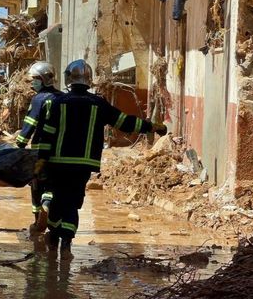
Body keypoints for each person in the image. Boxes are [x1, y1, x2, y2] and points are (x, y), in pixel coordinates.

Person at [38, 60, 167, 260]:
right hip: (83, 165)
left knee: (58, 200)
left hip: (58, 162)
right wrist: (151, 126)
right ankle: (67, 245)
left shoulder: (57, 103)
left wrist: (41, 160)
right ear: (89, 80)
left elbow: (47, 134)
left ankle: (53, 238)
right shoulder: (98, 104)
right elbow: (124, 122)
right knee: (73, 203)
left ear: (68, 79)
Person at [16, 61, 63, 234]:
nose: (32, 83)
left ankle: (37, 221)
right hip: (59, 150)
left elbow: (30, 123)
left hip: (39, 149)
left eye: (35, 79)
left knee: (36, 184)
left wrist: (20, 143)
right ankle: (49, 209)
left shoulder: (39, 99)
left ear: (43, 79)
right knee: (52, 185)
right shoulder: (62, 97)